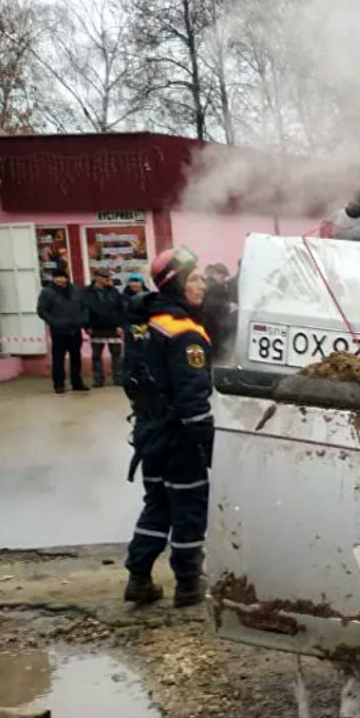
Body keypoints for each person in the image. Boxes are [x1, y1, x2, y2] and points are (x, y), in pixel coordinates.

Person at [121, 247, 212, 608]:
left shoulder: (142, 323)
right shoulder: (184, 333)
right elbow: (193, 400)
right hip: (180, 438)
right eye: (194, 278)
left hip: (149, 433)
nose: (202, 283)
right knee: (188, 506)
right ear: (175, 286)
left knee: (156, 504)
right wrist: (210, 444)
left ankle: (138, 578)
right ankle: (189, 583)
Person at [36, 269, 89, 394]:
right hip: (58, 332)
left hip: (75, 330)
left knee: (76, 358)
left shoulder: (76, 290)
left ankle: (77, 383)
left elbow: (85, 306)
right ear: (53, 279)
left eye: (62, 277)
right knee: (58, 359)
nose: (60, 280)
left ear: (67, 278)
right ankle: (59, 384)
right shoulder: (47, 292)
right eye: (57, 277)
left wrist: (82, 320)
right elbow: (42, 310)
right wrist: (54, 322)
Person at [82, 267, 127, 387]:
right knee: (96, 355)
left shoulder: (113, 291)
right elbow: (84, 310)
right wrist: (86, 326)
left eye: (108, 277)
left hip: (113, 327)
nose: (107, 279)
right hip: (95, 327)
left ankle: (118, 378)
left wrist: (120, 325)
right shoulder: (87, 292)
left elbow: (120, 309)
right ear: (96, 277)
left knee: (117, 355)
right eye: (104, 277)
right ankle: (98, 379)